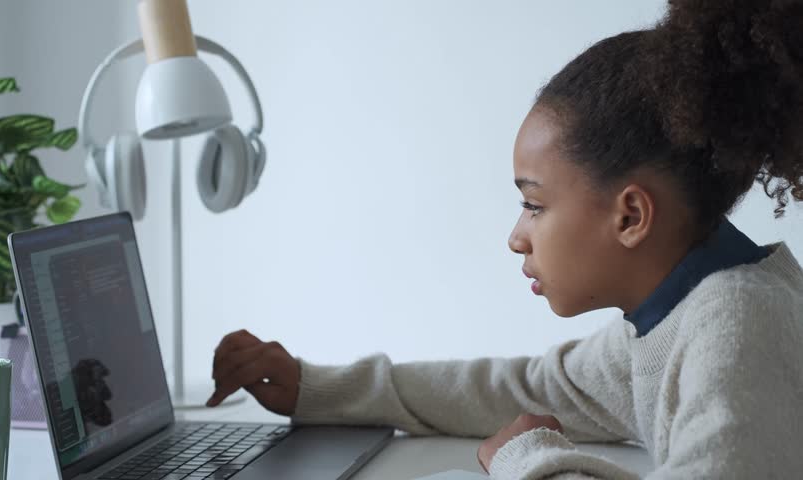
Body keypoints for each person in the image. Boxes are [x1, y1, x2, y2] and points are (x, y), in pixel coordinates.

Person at [206, 0, 803, 477]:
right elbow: (530, 387)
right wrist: (316, 387)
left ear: (630, 217)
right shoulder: (683, 310)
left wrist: (527, 459)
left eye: (534, 205)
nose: (516, 238)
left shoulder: (739, 328)